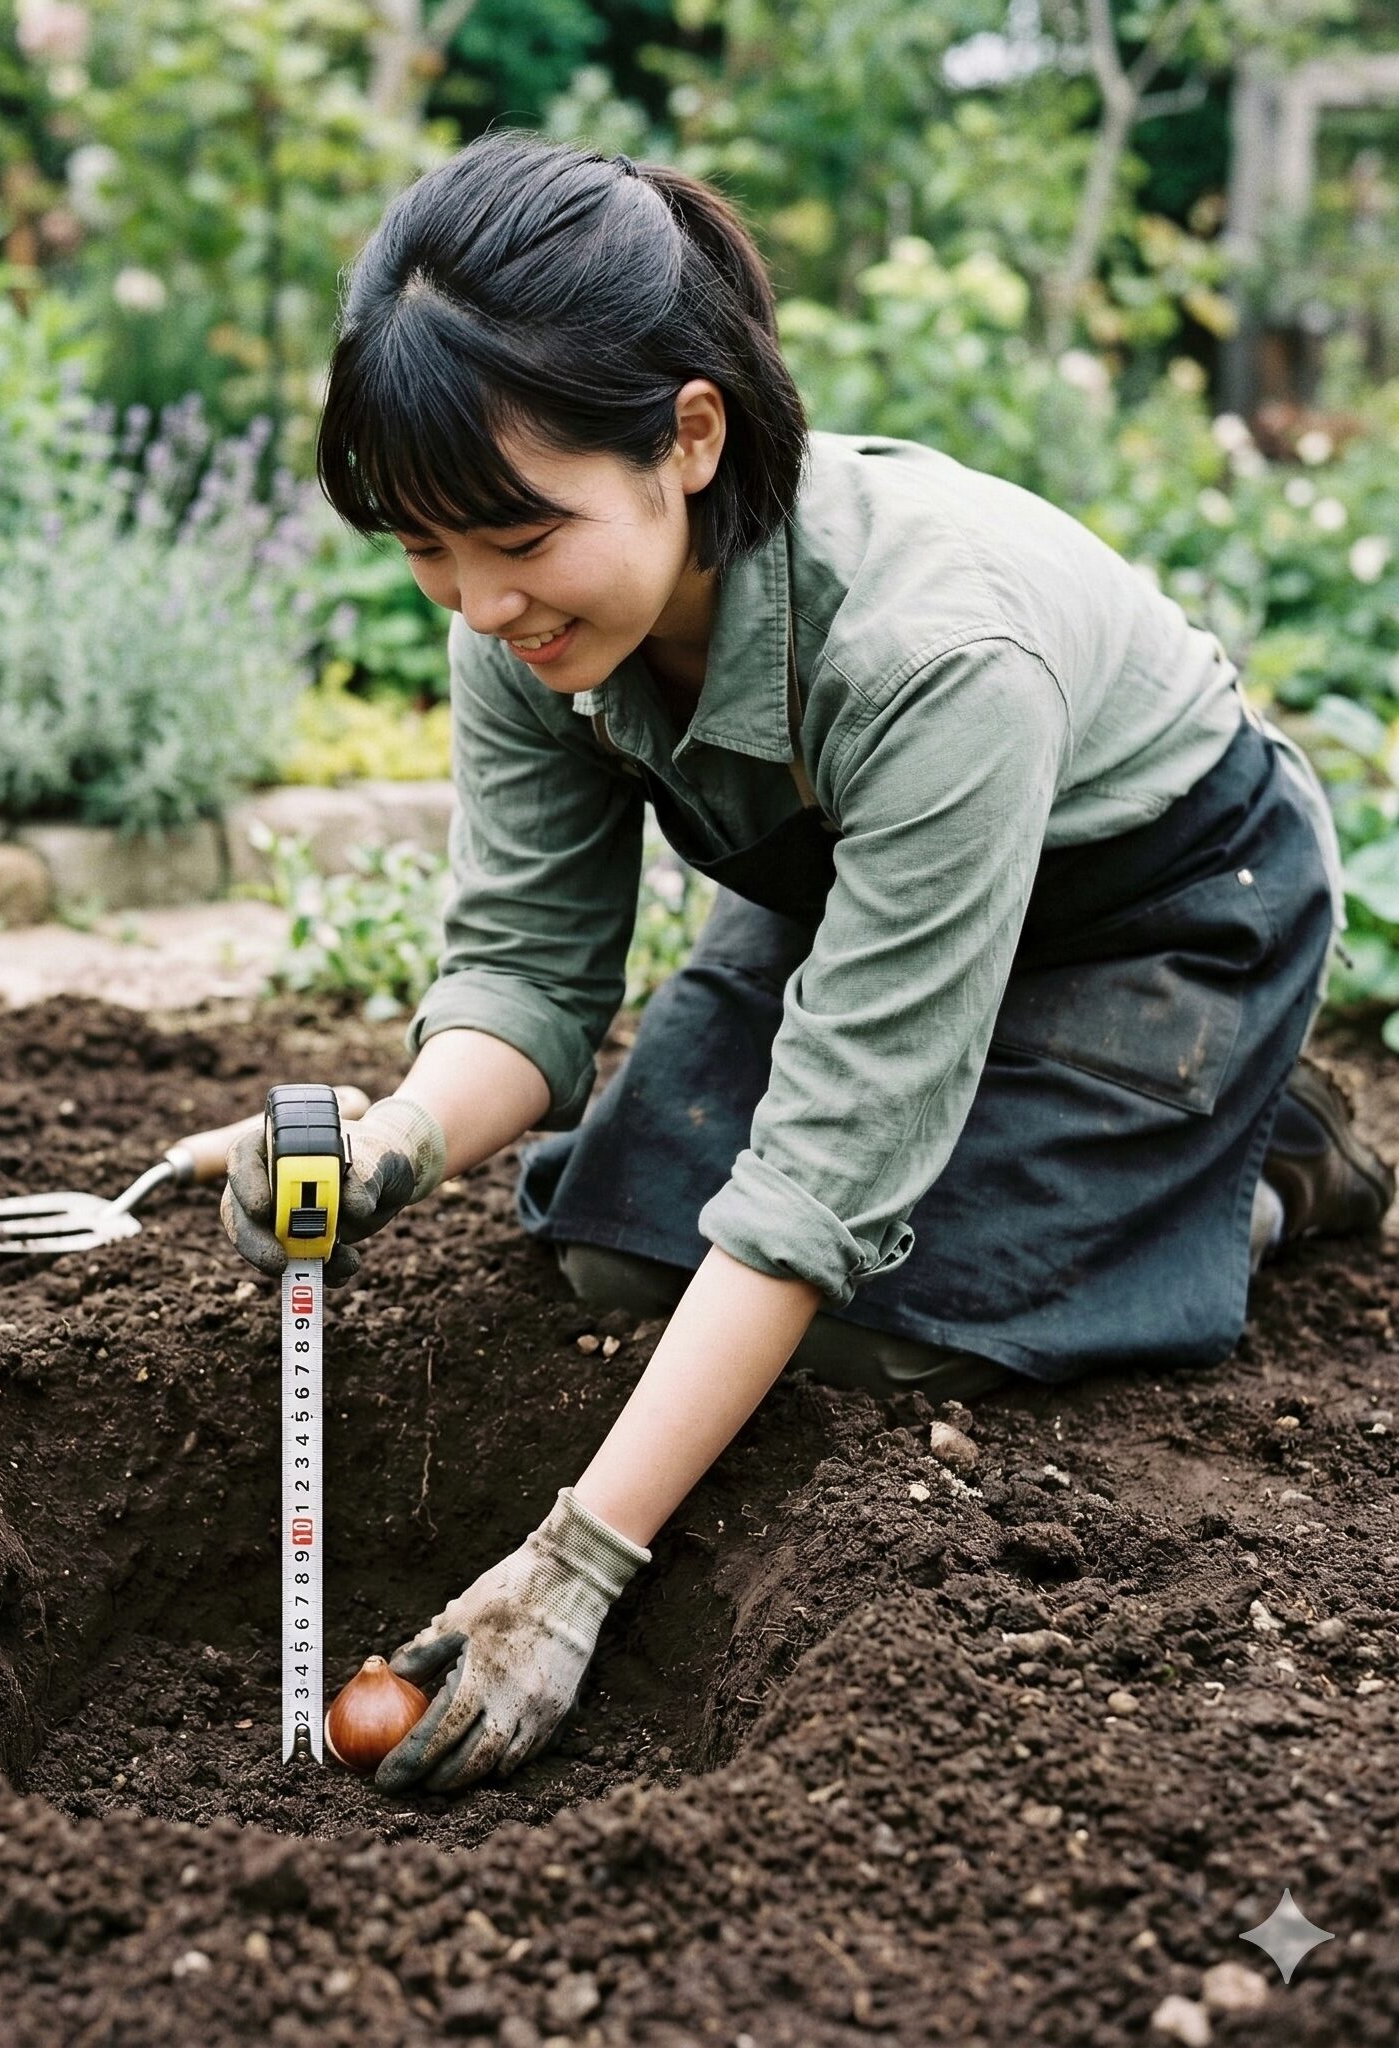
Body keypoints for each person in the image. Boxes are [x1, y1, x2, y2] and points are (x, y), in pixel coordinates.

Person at [219, 133, 1394, 1794]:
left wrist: (577, 1569)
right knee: (615, 1249)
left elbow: (823, 1179)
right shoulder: (531, 626)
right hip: (854, 891)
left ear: (690, 437)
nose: (477, 605)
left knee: (904, 1319)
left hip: (1160, 909)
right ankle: (1141, 1162)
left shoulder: (933, 653)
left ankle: (1252, 1170)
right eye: (425, 549)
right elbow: (529, 983)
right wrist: (391, 1144)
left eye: (518, 537)